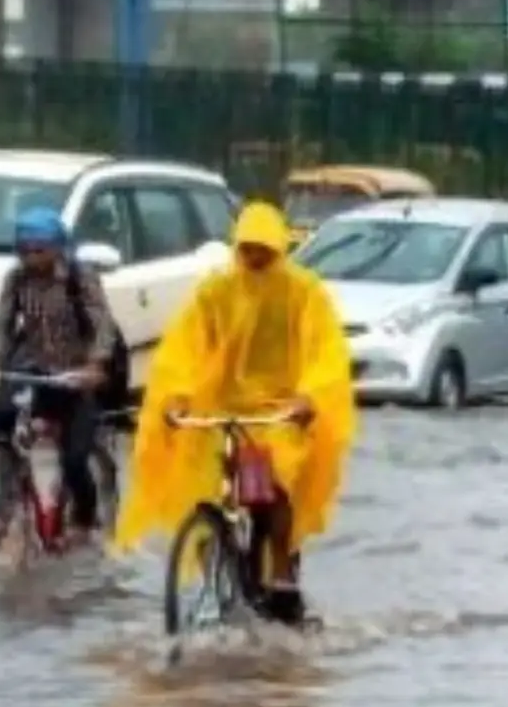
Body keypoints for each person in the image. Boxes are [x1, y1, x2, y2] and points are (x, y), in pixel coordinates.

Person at [112, 202, 357, 624]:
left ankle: (281, 570)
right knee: (204, 486)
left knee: (272, 482)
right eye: (248, 248)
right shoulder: (215, 291)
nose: (255, 257)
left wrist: (308, 399)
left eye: (264, 248)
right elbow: (184, 348)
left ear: (279, 247)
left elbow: (326, 353)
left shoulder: (303, 291)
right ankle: (215, 554)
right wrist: (176, 396)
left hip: (277, 411)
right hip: (221, 409)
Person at [0, 207, 121, 547]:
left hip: (78, 372)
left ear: (58, 247)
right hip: (36, 367)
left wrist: (95, 366)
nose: (30, 257)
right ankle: (4, 504)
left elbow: (103, 326)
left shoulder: (79, 278)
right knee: (3, 422)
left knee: (75, 457)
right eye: (24, 250)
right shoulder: (16, 279)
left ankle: (85, 519)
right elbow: (2, 324)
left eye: (39, 249)